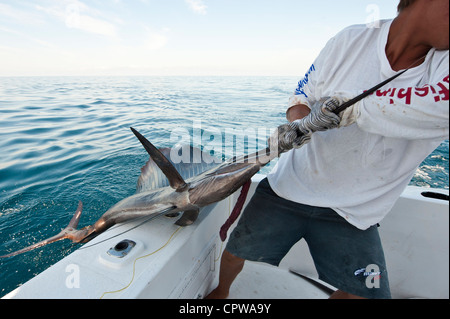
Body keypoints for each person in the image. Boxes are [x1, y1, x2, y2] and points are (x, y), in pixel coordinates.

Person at [207, 0, 449, 299]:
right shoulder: (350, 39)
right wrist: (298, 124)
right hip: (288, 187)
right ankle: (220, 296)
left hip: (355, 211)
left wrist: (355, 108)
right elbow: (303, 94)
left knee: (364, 294)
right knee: (236, 254)